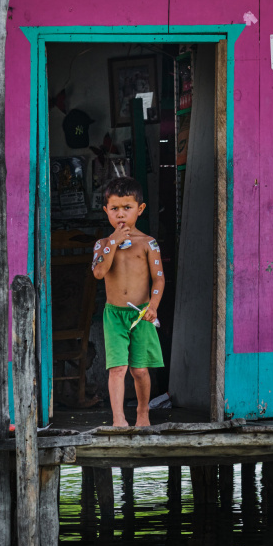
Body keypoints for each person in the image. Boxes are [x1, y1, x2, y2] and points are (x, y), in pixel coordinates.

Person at [91, 177, 165, 426]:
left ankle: (142, 413)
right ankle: (119, 419)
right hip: (114, 316)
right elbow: (99, 272)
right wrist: (113, 242)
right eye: (114, 209)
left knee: (139, 369)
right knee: (118, 369)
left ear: (140, 209)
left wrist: (153, 306)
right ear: (106, 212)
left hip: (141, 314)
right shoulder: (101, 245)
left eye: (127, 207)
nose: (120, 214)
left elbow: (159, 280)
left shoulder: (149, 244)